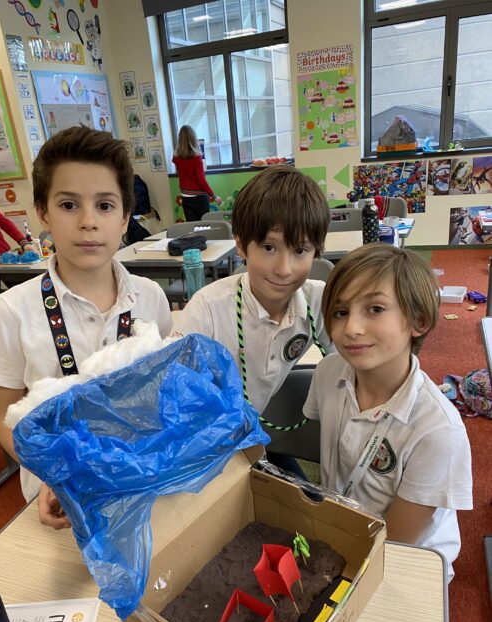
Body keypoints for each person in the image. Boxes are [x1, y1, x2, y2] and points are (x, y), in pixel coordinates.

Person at [0, 126, 172, 528]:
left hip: (142, 479)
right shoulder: (11, 311)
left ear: (125, 218)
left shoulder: (150, 297)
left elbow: (160, 388)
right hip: (60, 495)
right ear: (43, 213)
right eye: (68, 205)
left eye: (105, 205)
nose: (88, 222)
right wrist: (52, 475)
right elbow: (2, 415)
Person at [302, 243, 472, 579]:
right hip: (342, 529)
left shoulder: (438, 431)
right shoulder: (327, 372)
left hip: (406, 558)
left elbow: (396, 541)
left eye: (375, 309)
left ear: (418, 321)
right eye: (340, 312)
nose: (352, 328)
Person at [175, 163, 333, 427]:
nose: (284, 269)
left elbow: (351, 366)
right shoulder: (207, 310)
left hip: (254, 429)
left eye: (300, 250)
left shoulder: (319, 301)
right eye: (269, 247)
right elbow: (178, 400)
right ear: (241, 246)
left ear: (316, 251)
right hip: (208, 433)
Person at [172, 125, 222, 221]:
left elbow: (178, 164)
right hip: (199, 197)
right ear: (193, 138)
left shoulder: (176, 157)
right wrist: (214, 196)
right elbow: (201, 180)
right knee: (204, 225)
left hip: (185, 196)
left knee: (192, 226)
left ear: (180, 139)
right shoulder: (196, 158)